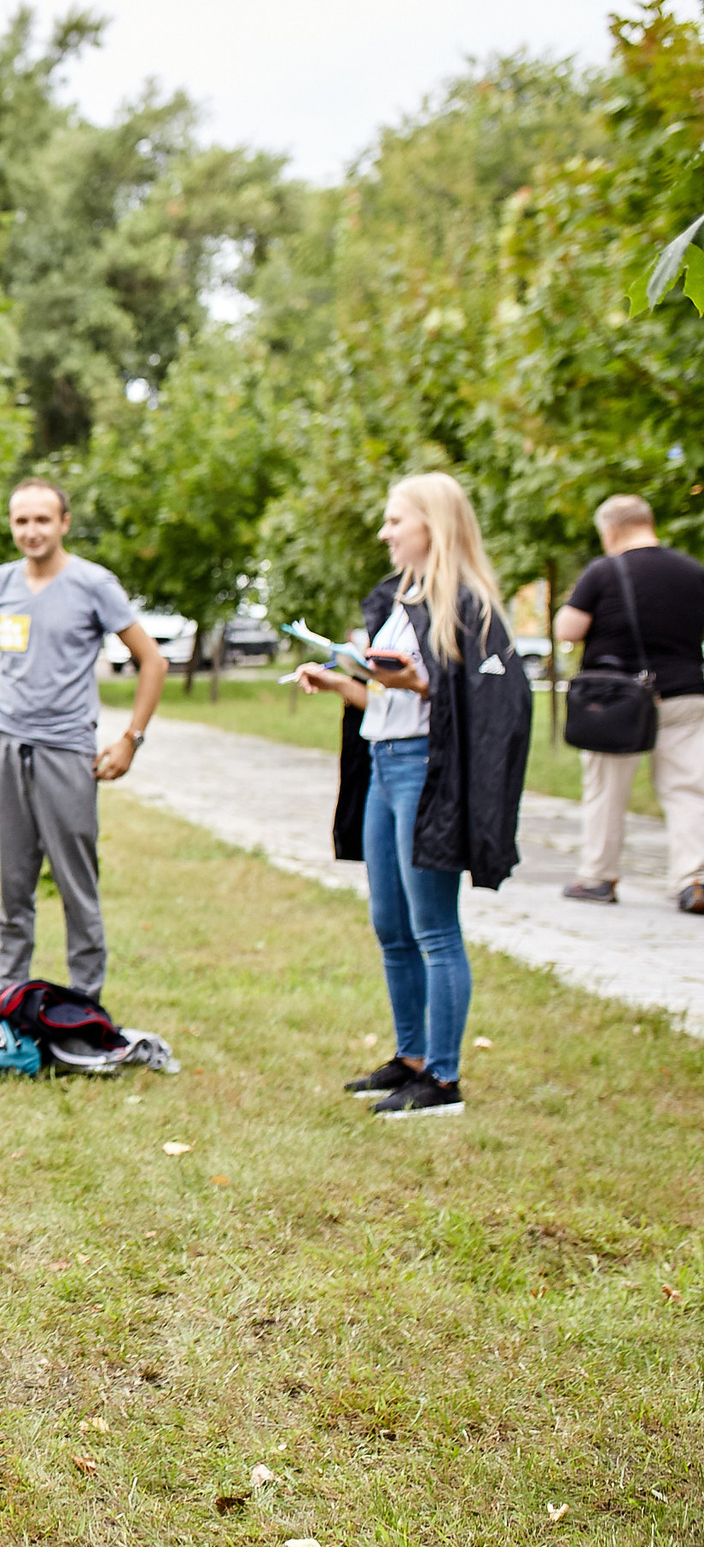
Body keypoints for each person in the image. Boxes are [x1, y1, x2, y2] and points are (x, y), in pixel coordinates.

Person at [291, 472, 530, 1120]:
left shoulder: (465, 604)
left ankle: (443, 1082)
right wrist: (342, 680)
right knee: (390, 925)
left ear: (432, 523)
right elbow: (391, 698)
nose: (385, 531)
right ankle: (412, 1058)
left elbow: (468, 705)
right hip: (386, 765)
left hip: (429, 773)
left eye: (396, 520)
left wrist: (416, 682)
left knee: (434, 928)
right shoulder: (403, 601)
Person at [0, 479, 168, 998]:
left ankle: (86, 1003)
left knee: (75, 884)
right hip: (6, 749)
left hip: (67, 751)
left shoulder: (93, 584)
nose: (31, 531)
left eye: (42, 520)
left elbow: (153, 660)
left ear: (64, 523)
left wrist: (131, 738)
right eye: (21, 521)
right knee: (13, 885)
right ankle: (8, 999)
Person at [555, 494, 704, 914]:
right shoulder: (693, 570)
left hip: (617, 699)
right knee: (688, 788)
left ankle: (598, 877)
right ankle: (694, 878)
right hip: (686, 693)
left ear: (611, 530)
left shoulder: (604, 571)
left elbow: (568, 630)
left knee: (606, 788)